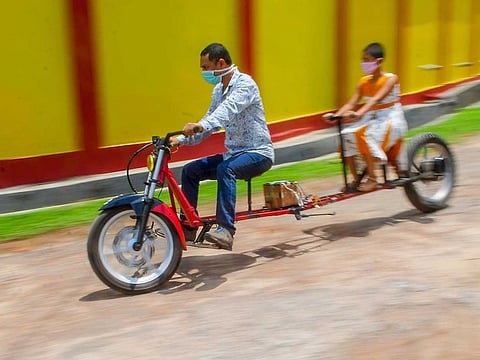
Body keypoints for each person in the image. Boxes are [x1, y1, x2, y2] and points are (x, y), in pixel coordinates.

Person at [171, 43, 274, 251]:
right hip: (233, 154)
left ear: (220, 63)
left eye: (205, 67)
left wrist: (201, 125)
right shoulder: (218, 90)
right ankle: (188, 226)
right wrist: (180, 139)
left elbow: (226, 111)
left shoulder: (245, 84)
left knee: (225, 169)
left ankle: (226, 230)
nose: (204, 73)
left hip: (258, 152)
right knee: (191, 170)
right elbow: (208, 123)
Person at [323, 42, 408, 192]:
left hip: (390, 118)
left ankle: (373, 178)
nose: (364, 63)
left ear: (379, 61)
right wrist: (336, 115)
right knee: (345, 135)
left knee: (363, 134)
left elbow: (376, 99)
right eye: (363, 59)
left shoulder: (391, 79)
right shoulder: (363, 82)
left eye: (367, 59)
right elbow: (351, 102)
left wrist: (359, 113)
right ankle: (356, 179)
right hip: (372, 118)